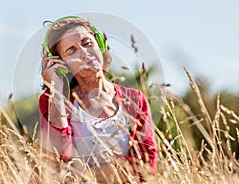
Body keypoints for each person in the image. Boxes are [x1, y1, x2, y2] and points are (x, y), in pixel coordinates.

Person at [38, 16, 157, 183]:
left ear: (99, 43)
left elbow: (147, 164)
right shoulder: (52, 102)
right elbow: (56, 161)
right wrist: (57, 93)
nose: (84, 53)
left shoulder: (135, 99)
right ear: (61, 64)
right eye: (72, 51)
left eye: (87, 43)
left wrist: (87, 174)